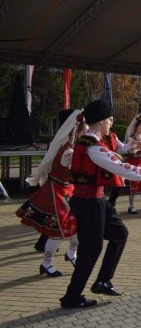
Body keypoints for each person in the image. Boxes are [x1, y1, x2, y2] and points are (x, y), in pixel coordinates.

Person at [60, 99, 141, 309]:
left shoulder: (94, 142)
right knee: (91, 250)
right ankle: (72, 296)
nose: (111, 123)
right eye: (109, 120)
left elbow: (115, 157)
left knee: (119, 233)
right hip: (89, 202)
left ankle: (102, 281)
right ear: (100, 122)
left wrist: (130, 151)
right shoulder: (91, 145)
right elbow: (118, 165)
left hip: (97, 199)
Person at [16, 109, 85, 277]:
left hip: (66, 191)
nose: (88, 132)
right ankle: (46, 263)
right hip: (59, 192)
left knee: (76, 226)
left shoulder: (70, 146)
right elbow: (73, 173)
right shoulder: (69, 150)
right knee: (57, 232)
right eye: (86, 129)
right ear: (78, 130)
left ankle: (71, 254)